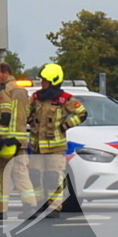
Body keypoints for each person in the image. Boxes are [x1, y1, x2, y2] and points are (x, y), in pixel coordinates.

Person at [28, 63, 87, 217]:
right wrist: (30, 120)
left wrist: (65, 125)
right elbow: (27, 112)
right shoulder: (36, 97)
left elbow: (82, 113)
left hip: (55, 147)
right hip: (37, 147)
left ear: (53, 81)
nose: (42, 83)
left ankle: (54, 207)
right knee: (35, 176)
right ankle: (38, 204)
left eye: (45, 80)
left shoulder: (65, 99)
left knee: (53, 177)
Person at [0, 63, 37, 220]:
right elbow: (27, 114)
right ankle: (30, 206)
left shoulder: (4, 90)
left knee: (1, 174)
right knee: (21, 174)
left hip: (7, 142)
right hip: (20, 140)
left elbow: (5, 114)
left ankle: (0, 210)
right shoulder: (22, 90)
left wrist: (0, 139)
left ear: (6, 74)